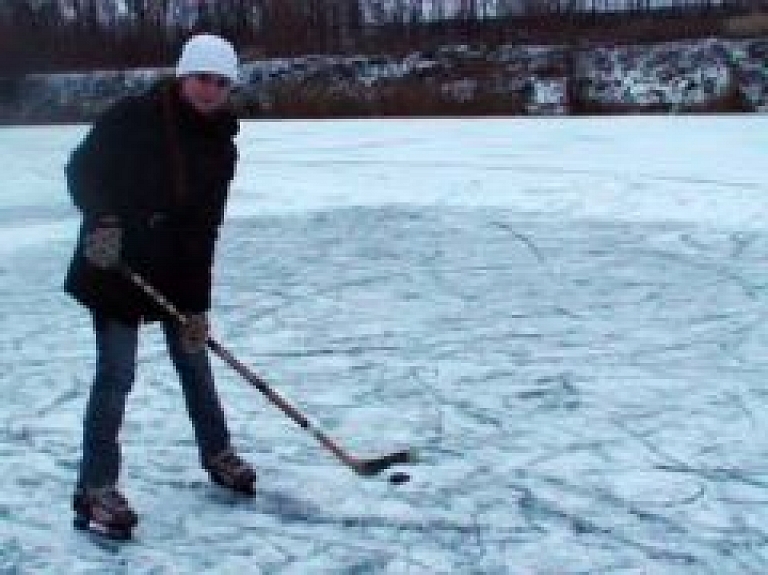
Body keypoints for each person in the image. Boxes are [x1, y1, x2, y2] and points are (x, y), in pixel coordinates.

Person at [65, 33, 256, 540]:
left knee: (195, 362)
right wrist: (103, 220)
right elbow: (81, 170)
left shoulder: (222, 146)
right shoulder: (132, 117)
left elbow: (205, 227)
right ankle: (95, 487)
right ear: (182, 75)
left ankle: (217, 453)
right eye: (202, 78)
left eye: (221, 82)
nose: (210, 90)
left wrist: (197, 305)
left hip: (176, 273)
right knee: (116, 376)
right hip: (116, 265)